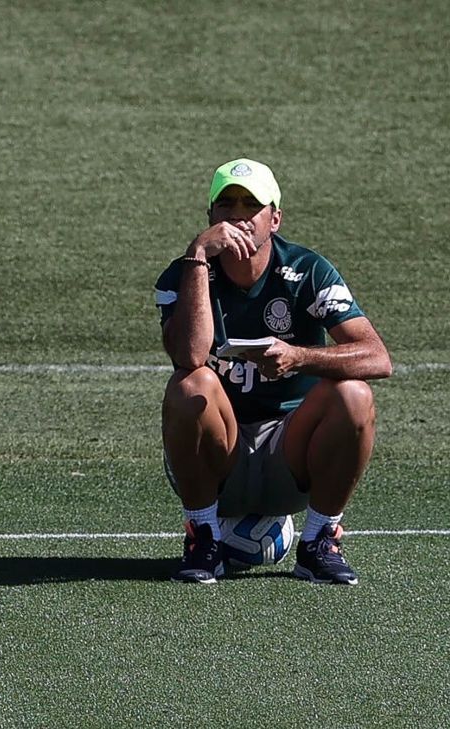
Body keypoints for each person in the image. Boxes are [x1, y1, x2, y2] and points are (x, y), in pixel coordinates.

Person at [154, 158, 392, 585]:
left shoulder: (307, 271)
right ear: (210, 216)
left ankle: (320, 541)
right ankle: (203, 537)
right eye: (226, 204)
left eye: (252, 205)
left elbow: (377, 357)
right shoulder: (183, 274)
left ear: (274, 218)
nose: (238, 215)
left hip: (290, 448)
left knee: (354, 395)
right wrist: (197, 257)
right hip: (215, 455)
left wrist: (300, 357)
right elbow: (190, 355)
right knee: (192, 385)